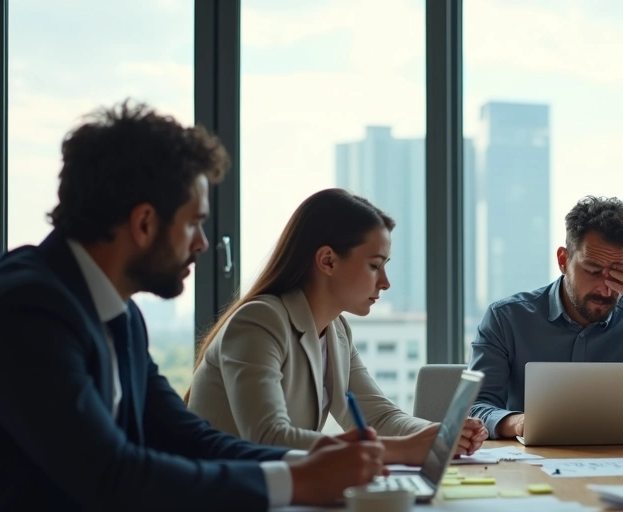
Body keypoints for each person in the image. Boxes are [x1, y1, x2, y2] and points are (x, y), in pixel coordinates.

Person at [0, 102, 384, 512]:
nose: (203, 244)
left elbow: (185, 436)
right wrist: (295, 480)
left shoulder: (119, 314)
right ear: (145, 222)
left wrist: (309, 460)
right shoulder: (26, 308)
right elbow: (113, 476)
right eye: (194, 222)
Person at [186, 188, 486, 460]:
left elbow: (378, 417)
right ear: (328, 261)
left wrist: (444, 432)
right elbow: (269, 437)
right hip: (225, 504)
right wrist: (403, 449)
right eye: (374, 266)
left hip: (274, 496)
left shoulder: (336, 331)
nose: (385, 282)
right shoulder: (259, 322)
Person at [469, 196, 623, 439]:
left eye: (620, 275)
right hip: (530, 466)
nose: (606, 288)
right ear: (563, 261)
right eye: (593, 271)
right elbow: (476, 407)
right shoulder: (506, 319)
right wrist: (518, 422)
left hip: (622, 468)